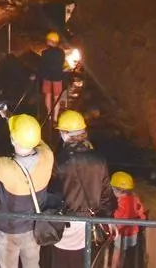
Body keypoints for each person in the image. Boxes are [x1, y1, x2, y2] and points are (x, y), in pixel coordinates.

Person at [0, 107, 53, 268]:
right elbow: (34, 138)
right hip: (33, 228)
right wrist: (9, 117)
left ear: (12, 139)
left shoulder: (7, 167)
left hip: (8, 231)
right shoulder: (47, 155)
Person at [51, 110, 116, 268]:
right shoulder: (99, 160)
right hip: (88, 223)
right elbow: (106, 196)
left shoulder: (59, 161)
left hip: (65, 224)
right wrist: (107, 217)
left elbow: (53, 195)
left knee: (61, 261)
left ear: (65, 134)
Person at [107, 172, 147, 268]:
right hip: (133, 233)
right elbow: (141, 213)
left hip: (121, 233)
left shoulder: (120, 203)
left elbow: (118, 219)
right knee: (124, 252)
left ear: (117, 190)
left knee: (117, 251)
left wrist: (111, 228)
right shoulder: (135, 198)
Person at [38, 32, 66, 125]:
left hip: (47, 78)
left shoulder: (44, 53)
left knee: (48, 96)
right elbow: (62, 64)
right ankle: (55, 118)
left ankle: (49, 116)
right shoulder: (61, 53)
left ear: (49, 41)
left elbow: (42, 66)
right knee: (56, 98)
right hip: (57, 77)